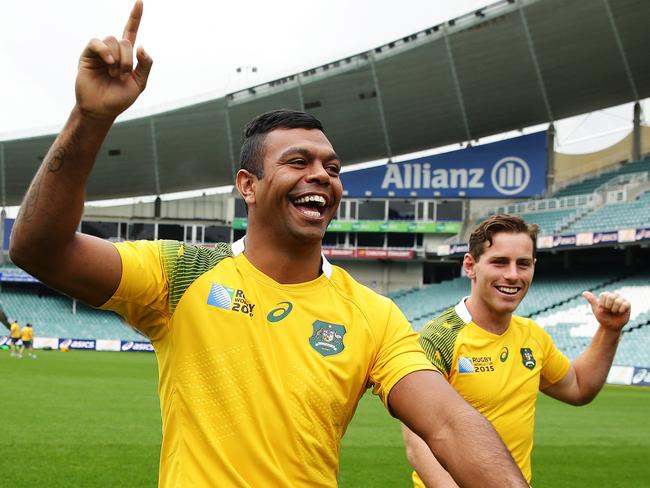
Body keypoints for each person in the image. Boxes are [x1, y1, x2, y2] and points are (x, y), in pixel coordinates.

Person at [9, 3, 529, 487]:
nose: (322, 176)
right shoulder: (181, 273)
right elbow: (38, 249)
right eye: (298, 163)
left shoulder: (374, 315)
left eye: (332, 167)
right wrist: (92, 118)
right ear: (248, 185)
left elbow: (448, 423)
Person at [402, 214, 631, 487]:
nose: (512, 275)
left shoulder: (532, 336)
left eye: (523, 264)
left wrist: (609, 330)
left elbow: (579, 388)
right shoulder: (438, 338)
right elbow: (418, 445)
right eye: (499, 262)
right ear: (470, 265)